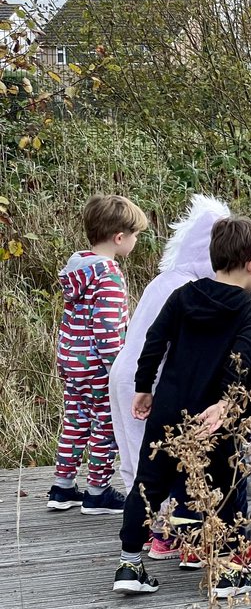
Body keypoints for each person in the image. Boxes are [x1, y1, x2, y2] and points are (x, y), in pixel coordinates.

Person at [113, 216, 251, 598]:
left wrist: (143, 388)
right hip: (213, 417)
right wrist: (225, 404)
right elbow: (242, 359)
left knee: (148, 484)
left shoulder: (183, 295)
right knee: (221, 490)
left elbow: (155, 340)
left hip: (168, 406)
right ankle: (224, 573)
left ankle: (129, 564)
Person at [49, 194, 149, 515]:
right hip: (98, 367)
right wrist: (119, 368)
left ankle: (62, 487)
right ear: (120, 238)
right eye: (135, 236)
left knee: (75, 421)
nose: (135, 241)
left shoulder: (77, 270)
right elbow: (107, 330)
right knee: (104, 425)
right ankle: (97, 491)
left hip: (72, 361)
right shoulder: (108, 276)